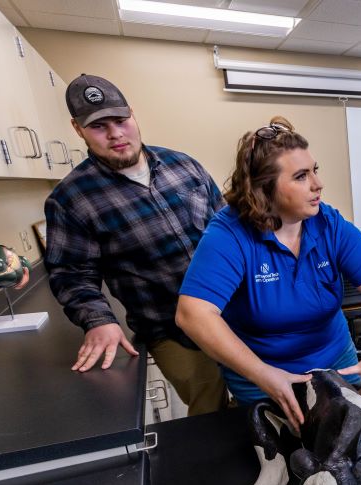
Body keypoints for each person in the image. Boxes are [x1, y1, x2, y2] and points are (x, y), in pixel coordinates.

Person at [175, 117, 361, 431]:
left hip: (336, 362)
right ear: (264, 188)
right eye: (300, 176)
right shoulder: (230, 233)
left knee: (351, 448)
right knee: (286, 462)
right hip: (264, 376)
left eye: (315, 170)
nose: (317, 184)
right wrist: (263, 374)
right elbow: (193, 313)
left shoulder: (328, 223)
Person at [44, 74, 228, 416]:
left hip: (232, 312)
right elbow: (71, 274)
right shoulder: (71, 198)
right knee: (210, 410)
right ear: (77, 128)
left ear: (133, 115)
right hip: (170, 328)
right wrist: (98, 320)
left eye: (120, 120)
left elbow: (229, 230)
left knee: (258, 394)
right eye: (99, 126)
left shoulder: (184, 166)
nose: (115, 134)